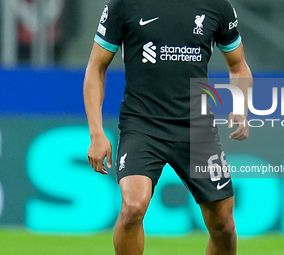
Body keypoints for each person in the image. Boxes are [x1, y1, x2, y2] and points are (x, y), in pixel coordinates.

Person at [84, 0, 253, 254]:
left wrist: (240, 106)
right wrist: (97, 133)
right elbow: (96, 67)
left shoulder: (218, 6)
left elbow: (238, 65)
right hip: (142, 125)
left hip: (197, 128)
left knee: (224, 225)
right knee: (132, 207)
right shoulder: (124, 5)